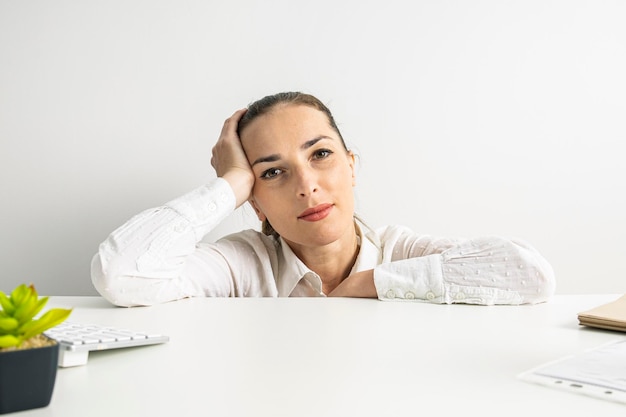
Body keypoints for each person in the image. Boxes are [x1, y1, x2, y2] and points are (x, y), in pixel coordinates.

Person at [91, 91, 556, 307]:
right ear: (255, 202)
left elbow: (529, 273)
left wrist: (373, 283)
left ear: (351, 165)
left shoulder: (399, 250)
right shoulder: (242, 265)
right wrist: (230, 181)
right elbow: (122, 274)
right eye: (272, 172)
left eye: (321, 155)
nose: (306, 184)